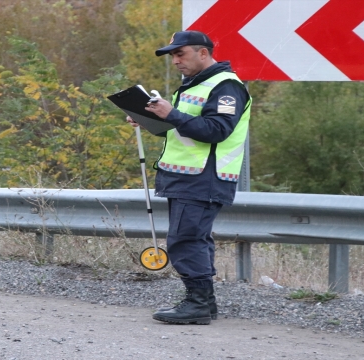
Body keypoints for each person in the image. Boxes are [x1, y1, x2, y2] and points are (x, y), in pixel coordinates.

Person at [126, 30, 251, 325]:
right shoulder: (194, 85)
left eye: (180, 54)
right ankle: (204, 304)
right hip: (187, 177)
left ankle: (196, 304)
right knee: (194, 239)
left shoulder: (226, 87)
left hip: (204, 177)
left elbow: (216, 130)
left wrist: (172, 114)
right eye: (173, 56)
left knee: (185, 239)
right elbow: (186, 129)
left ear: (203, 53)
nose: (175, 61)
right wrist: (150, 118)